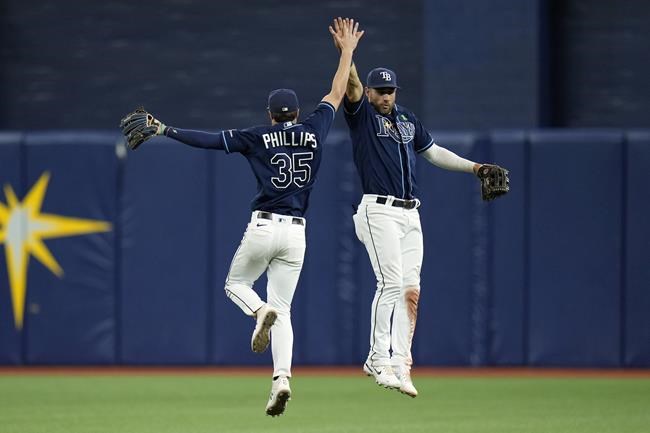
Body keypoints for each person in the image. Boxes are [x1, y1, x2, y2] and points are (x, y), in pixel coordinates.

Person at [127, 19, 364, 416]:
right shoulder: (315, 128)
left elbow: (208, 140)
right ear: (297, 112)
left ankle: (258, 312)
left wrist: (164, 128)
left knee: (236, 283)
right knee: (285, 310)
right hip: (297, 235)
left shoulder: (256, 135)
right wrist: (347, 52)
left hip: (264, 225)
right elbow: (338, 92)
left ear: (270, 114)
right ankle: (282, 380)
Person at [331, 17, 497, 398]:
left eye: (390, 90)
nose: (386, 96)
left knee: (410, 290)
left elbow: (433, 152)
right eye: (380, 90)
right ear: (371, 92)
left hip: (410, 213)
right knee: (388, 283)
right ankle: (377, 358)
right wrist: (348, 52)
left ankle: (402, 363)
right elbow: (351, 86)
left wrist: (475, 167)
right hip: (379, 210)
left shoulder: (407, 119)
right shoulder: (363, 117)